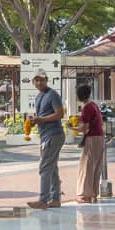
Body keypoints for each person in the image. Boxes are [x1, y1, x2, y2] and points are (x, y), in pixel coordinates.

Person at [27, 69, 65, 210]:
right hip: (46, 135)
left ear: (46, 80)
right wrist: (34, 121)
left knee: (44, 167)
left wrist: (40, 119)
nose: (39, 82)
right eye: (36, 80)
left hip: (53, 135)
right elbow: (42, 116)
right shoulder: (39, 96)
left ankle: (43, 200)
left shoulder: (52, 94)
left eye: (42, 80)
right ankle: (55, 199)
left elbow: (60, 114)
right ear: (33, 82)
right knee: (52, 168)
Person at [75, 83, 104, 204]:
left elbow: (84, 128)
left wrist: (72, 127)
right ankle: (93, 194)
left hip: (92, 138)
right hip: (99, 137)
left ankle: (84, 195)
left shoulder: (86, 107)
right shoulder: (94, 105)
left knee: (86, 166)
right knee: (96, 167)